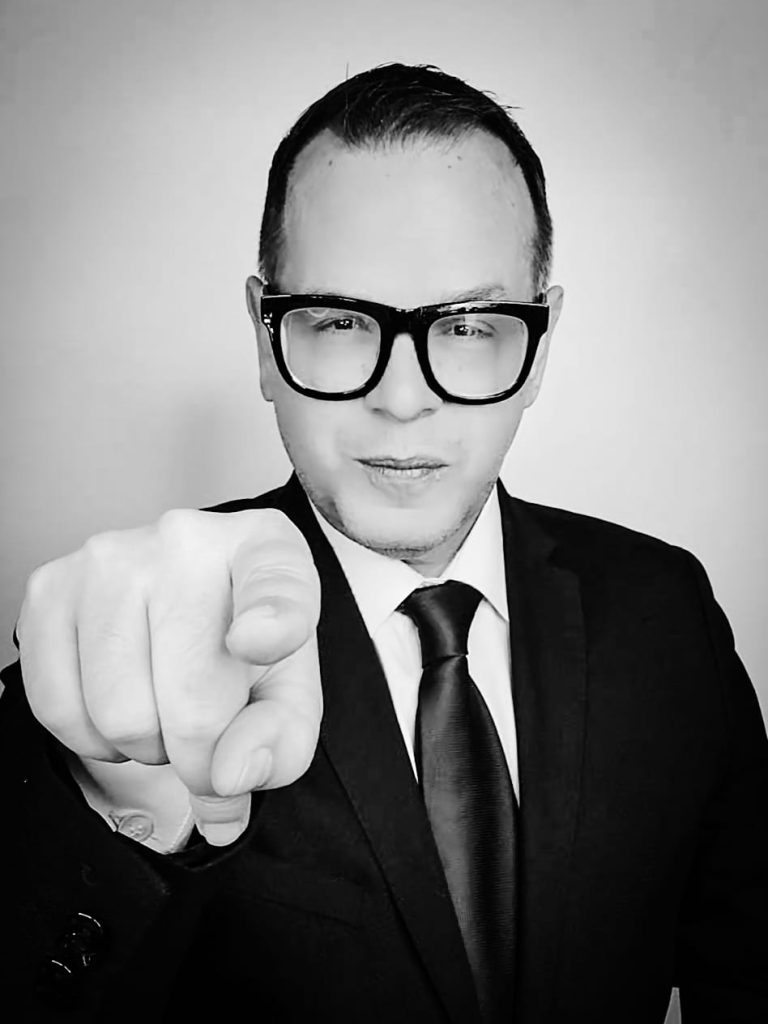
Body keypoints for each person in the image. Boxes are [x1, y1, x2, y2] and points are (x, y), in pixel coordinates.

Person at [1, 63, 766, 1024]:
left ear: (540, 345)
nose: (404, 400)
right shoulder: (153, 639)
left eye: (472, 325)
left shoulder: (667, 609)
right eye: (336, 321)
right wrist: (114, 789)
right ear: (264, 338)